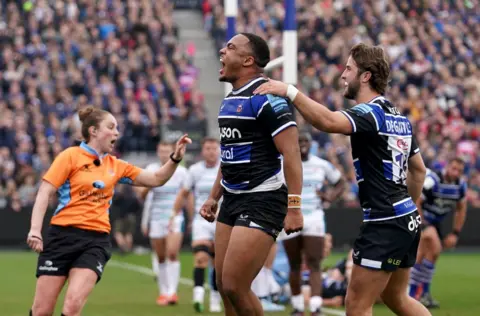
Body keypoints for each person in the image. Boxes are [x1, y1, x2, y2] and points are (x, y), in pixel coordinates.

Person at [254, 43, 431, 316]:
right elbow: (418, 170)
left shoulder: (370, 112)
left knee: (357, 306)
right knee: (397, 298)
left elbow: (328, 121)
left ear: (366, 76)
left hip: (384, 221)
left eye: (349, 68)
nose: (342, 75)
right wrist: (406, 207)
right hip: (406, 219)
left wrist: (289, 91)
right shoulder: (399, 118)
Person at [26, 106, 191, 316]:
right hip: (61, 237)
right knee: (41, 311)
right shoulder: (70, 156)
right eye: (111, 127)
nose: (116, 133)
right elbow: (44, 192)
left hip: (95, 241)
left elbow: (156, 178)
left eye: (117, 128)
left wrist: (175, 158)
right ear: (94, 131)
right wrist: (34, 230)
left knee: (72, 305)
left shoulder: (116, 165)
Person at [199, 32, 304, 316]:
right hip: (232, 200)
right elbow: (230, 156)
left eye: (230, 47)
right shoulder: (230, 100)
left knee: (235, 285)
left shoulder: (268, 97)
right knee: (223, 285)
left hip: (263, 199)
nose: (222, 51)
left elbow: (292, 154)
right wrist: (213, 196)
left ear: (248, 60)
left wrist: (294, 207)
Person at [280, 131, 345, 316]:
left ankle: (315, 307)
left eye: (305, 140)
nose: (302, 144)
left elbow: (340, 182)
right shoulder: (284, 163)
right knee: (294, 263)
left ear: (311, 144)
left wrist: (330, 197)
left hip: (314, 216)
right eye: (298, 141)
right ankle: (298, 307)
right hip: (290, 215)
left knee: (314, 262)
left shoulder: (321, 164)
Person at [171, 137, 222, 313]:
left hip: (221, 221)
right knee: (200, 258)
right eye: (208, 148)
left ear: (219, 150)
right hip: (201, 221)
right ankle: (198, 297)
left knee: (218, 263)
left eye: (214, 148)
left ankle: (215, 298)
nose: (211, 152)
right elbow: (183, 193)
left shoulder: (225, 168)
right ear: (203, 151)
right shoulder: (194, 170)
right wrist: (173, 214)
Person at [409, 158, 468, 308]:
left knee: (428, 255)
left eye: (459, 171)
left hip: (436, 222)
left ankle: (418, 293)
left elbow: (461, 209)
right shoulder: (433, 180)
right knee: (434, 248)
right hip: (422, 219)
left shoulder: (460, 186)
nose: (456, 173)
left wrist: (455, 233)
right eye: (453, 168)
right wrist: (421, 224)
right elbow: (416, 200)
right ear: (447, 166)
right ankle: (415, 294)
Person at [140, 141, 189, 306]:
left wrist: (188, 215)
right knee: (160, 257)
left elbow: (186, 195)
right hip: (156, 217)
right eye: (161, 151)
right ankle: (163, 293)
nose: (164, 154)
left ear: (172, 152)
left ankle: (172, 292)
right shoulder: (151, 169)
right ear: (157, 152)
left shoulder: (182, 172)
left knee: (172, 253)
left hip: (174, 217)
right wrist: (150, 183)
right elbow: (141, 195)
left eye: (167, 151)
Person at [112, 184, 141, 254]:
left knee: (117, 233)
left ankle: (123, 249)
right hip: (131, 216)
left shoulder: (120, 194)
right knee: (129, 234)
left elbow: (115, 201)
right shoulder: (132, 194)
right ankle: (128, 249)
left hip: (121, 217)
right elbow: (138, 205)